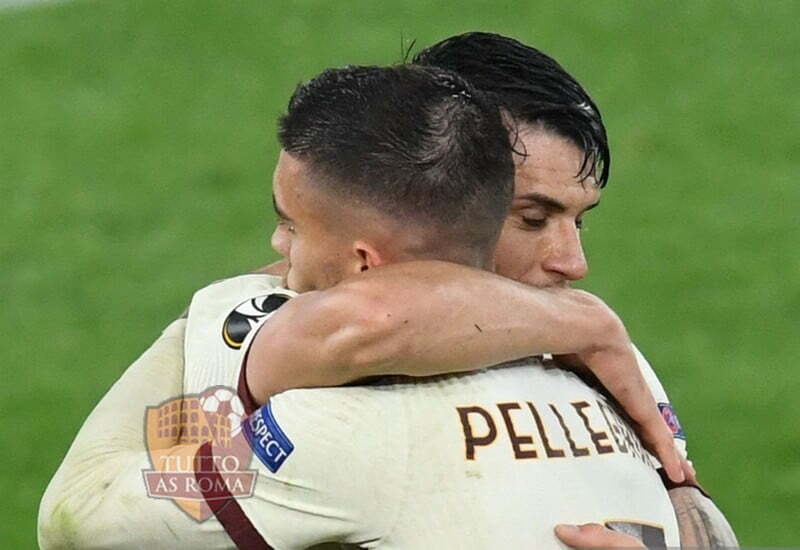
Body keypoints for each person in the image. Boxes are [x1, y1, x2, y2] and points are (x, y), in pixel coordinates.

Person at [39, 64, 681, 549]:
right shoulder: (615, 377)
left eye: (291, 225)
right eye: (534, 217)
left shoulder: (333, 426)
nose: (279, 247)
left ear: (365, 261)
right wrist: (587, 322)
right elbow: (693, 515)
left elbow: (81, 515)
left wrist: (210, 315)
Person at [243, 32, 737, 546]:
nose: (574, 263)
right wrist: (586, 324)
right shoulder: (248, 325)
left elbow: (692, 508)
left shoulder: (597, 353)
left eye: (579, 221)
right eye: (533, 218)